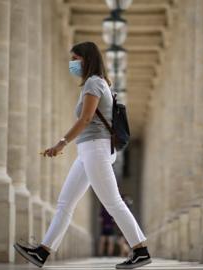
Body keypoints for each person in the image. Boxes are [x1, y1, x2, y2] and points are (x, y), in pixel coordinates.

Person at [13, 41, 151, 269]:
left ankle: (140, 249)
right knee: (65, 203)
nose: (73, 63)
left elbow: (86, 118)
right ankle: (42, 252)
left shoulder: (93, 83)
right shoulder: (99, 82)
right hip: (89, 150)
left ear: (87, 60)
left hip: (96, 148)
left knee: (112, 202)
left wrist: (61, 143)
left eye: (75, 59)